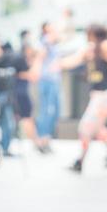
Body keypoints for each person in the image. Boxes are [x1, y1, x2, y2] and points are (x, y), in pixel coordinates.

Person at [60, 24, 107, 173]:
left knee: (85, 127)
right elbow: (73, 60)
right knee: (98, 128)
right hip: (100, 96)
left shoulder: (105, 46)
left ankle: (80, 161)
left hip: (105, 95)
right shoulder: (89, 49)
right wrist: (56, 64)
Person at [36, 21, 63, 154]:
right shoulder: (46, 41)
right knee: (48, 111)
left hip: (53, 80)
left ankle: (45, 140)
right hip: (47, 80)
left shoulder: (52, 42)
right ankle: (43, 140)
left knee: (53, 111)